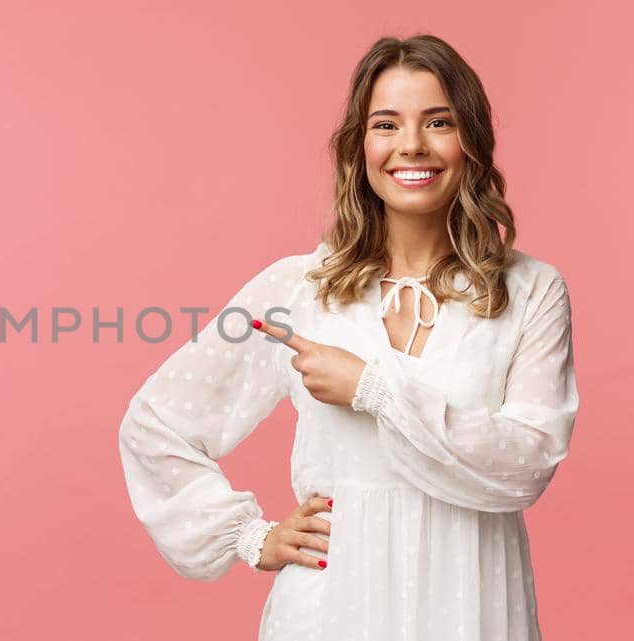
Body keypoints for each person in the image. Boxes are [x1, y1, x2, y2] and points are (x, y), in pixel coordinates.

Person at [117, 34, 579, 640]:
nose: (411, 145)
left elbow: (528, 464)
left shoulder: (531, 291)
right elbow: (156, 423)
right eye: (386, 124)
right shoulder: (297, 288)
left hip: (472, 603)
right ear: (359, 146)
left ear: (471, 140)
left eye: (437, 121)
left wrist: (374, 390)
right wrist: (252, 537)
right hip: (331, 608)